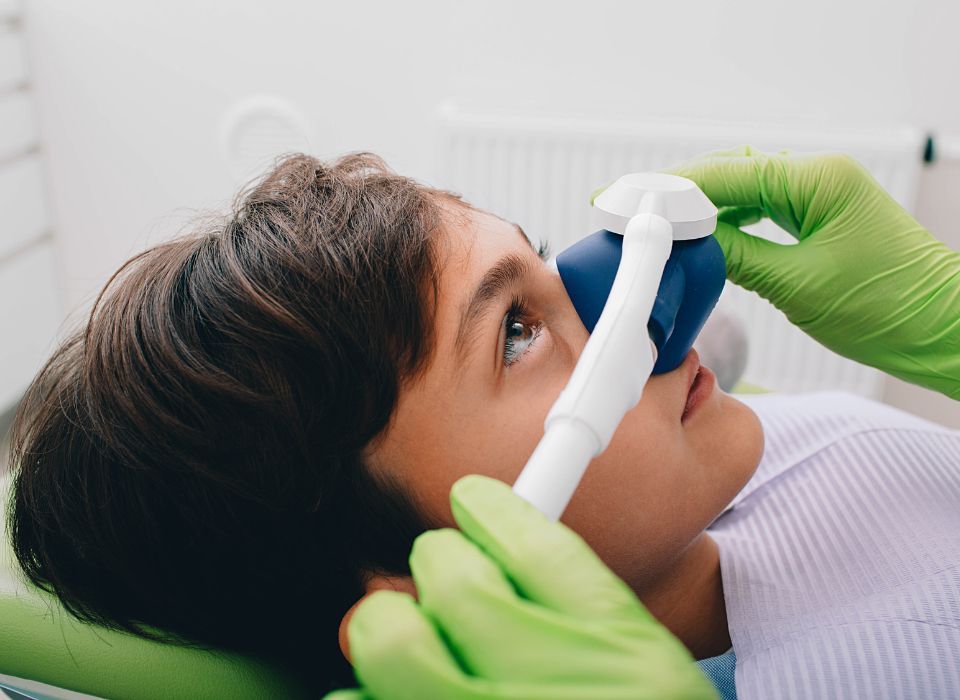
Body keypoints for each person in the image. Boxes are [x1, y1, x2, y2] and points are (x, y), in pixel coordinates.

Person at [5, 149, 958, 697]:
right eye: (513, 333)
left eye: (542, 260)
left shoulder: (785, 450)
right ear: (427, 578)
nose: (638, 297)